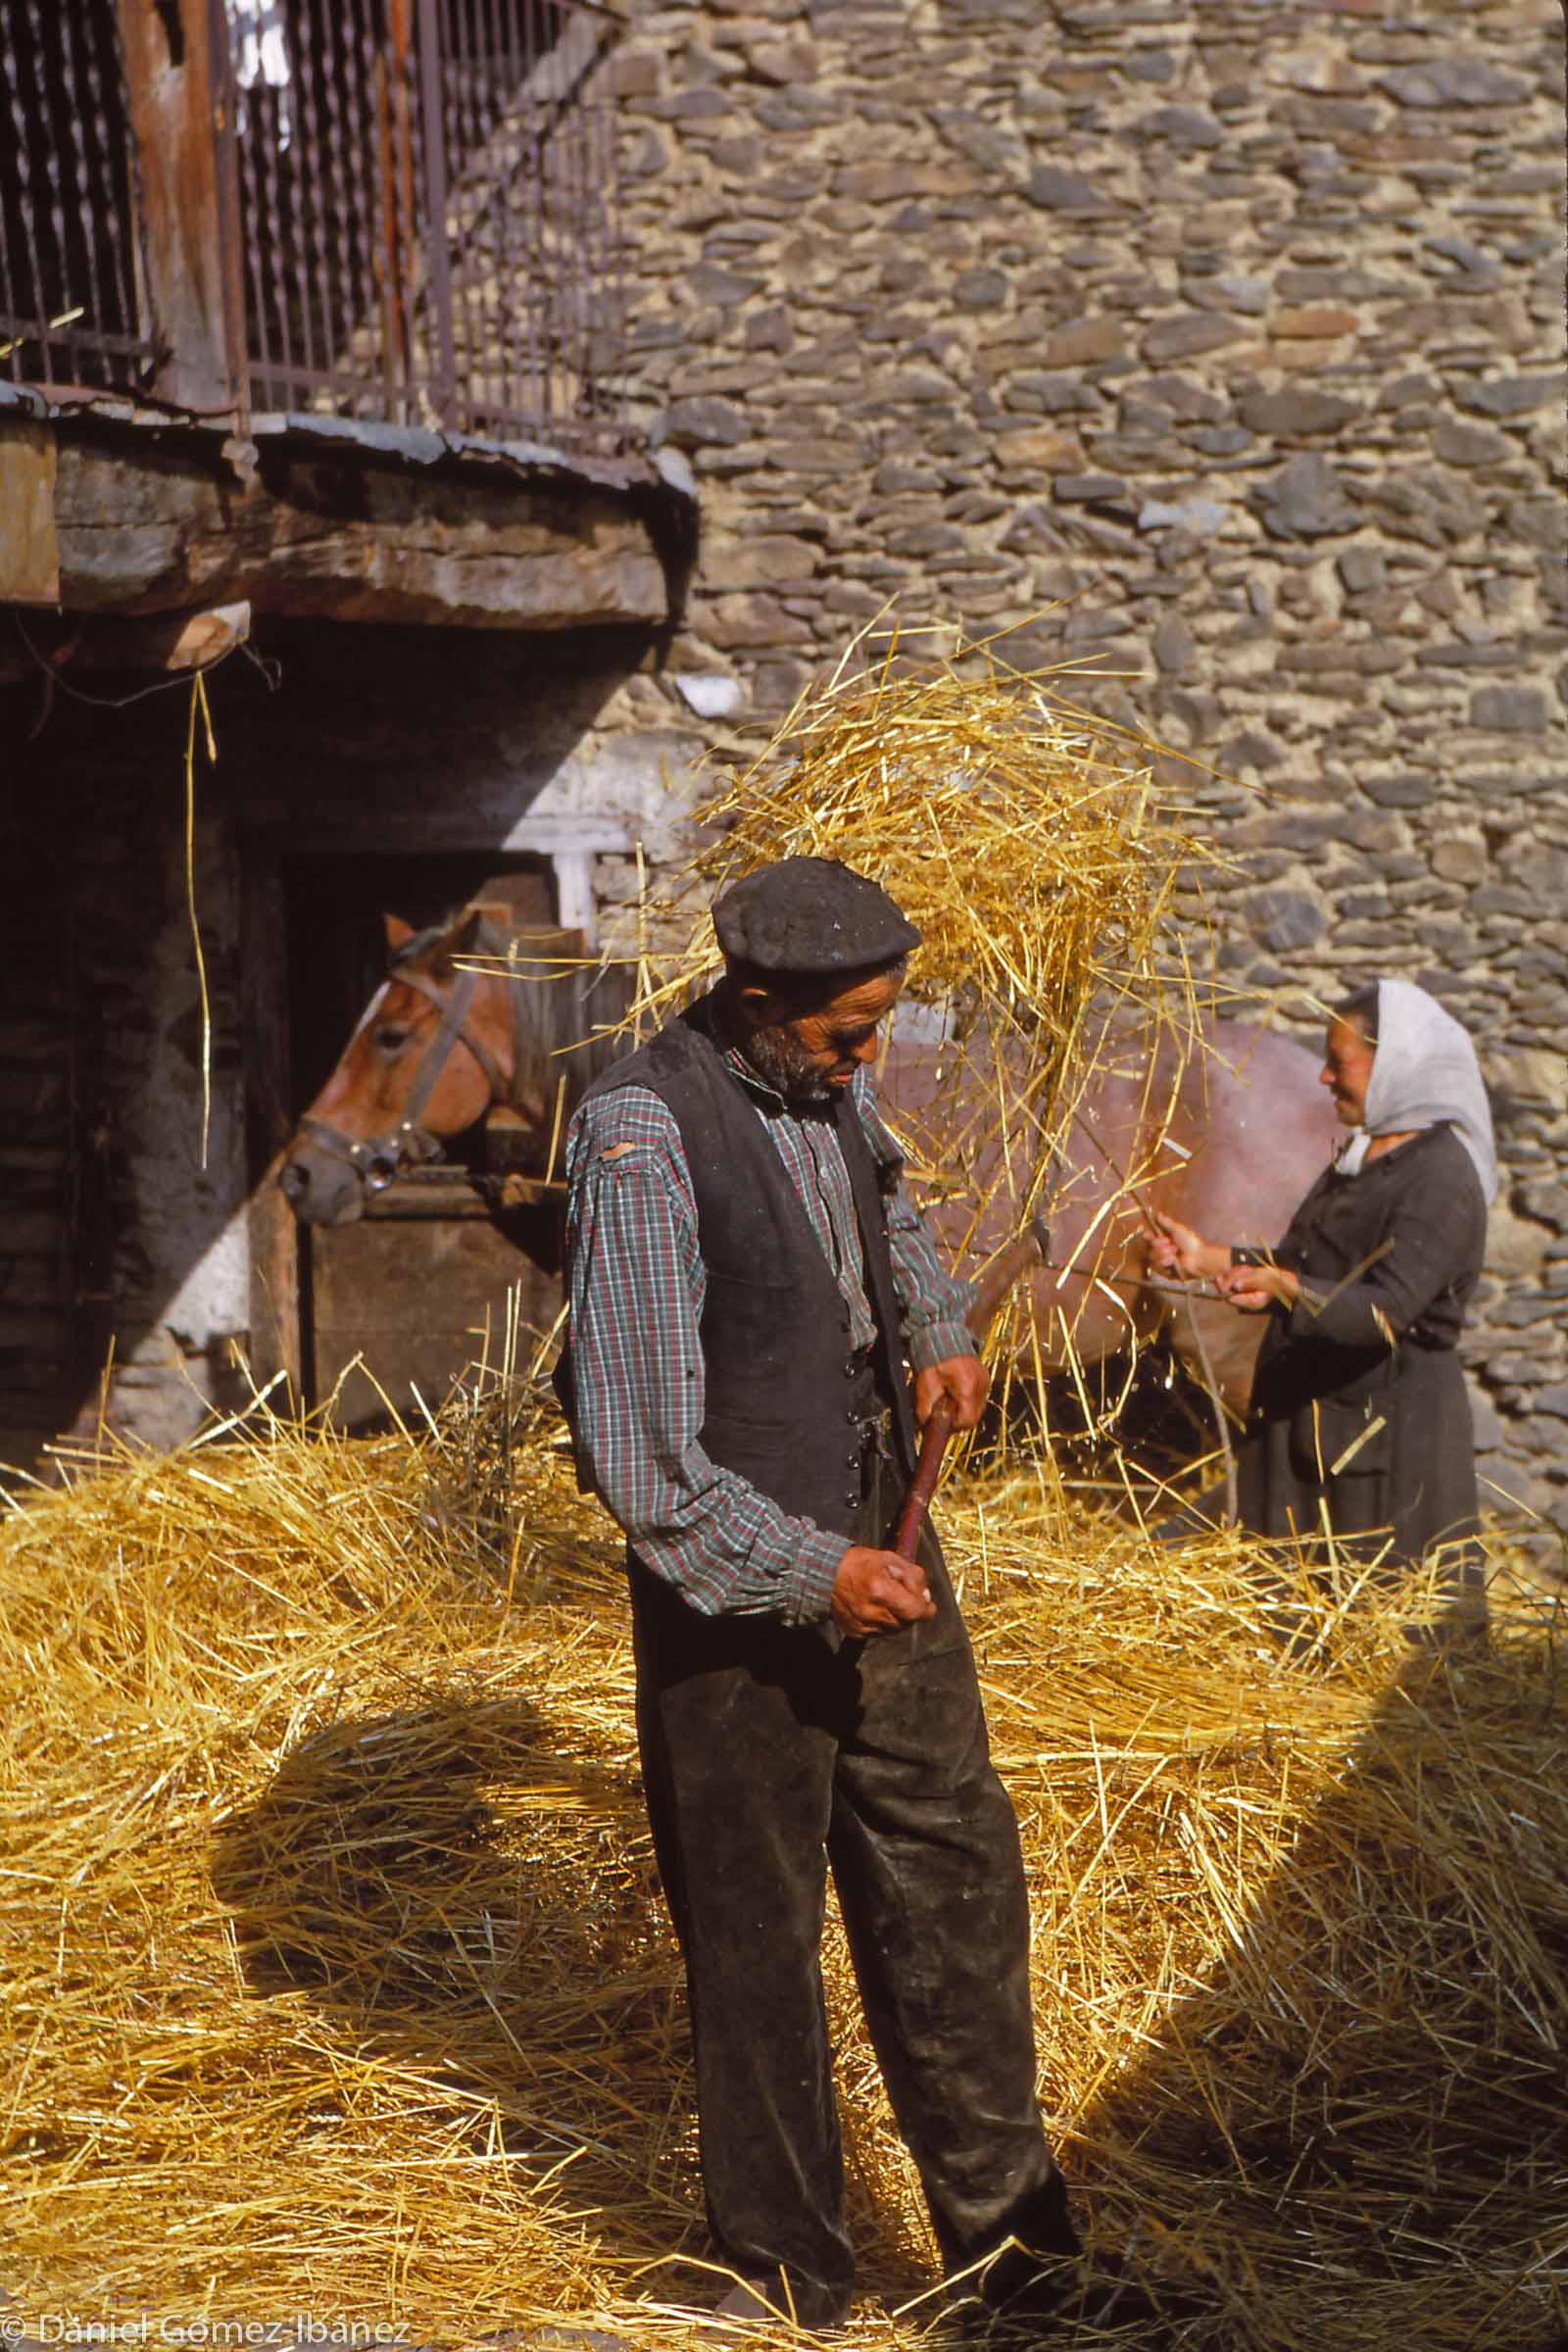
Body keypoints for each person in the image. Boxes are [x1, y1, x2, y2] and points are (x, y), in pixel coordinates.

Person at [556, 858, 1091, 2336]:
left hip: (887, 1546)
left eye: (883, 1028)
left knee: (954, 1884)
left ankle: (1016, 2260)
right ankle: (784, 2271)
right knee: (754, 1931)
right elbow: (645, 1462)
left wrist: (938, 1328)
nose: (875, 1058)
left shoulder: (830, 1082)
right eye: (853, 1032)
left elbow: (893, 1215)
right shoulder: (641, 1137)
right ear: (758, 1001)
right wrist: (809, 1575)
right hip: (732, 1604)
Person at [1147, 980, 1495, 1592]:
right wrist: (1210, 1258)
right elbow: (1308, 1262)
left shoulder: (1441, 1178)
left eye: (1340, 1063)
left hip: (1384, 1452)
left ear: (1395, 1065)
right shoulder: (1363, 1156)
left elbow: (1385, 1310)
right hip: (1312, 1430)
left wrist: (1284, 1289)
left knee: (1367, 1629)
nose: (1324, 1078)